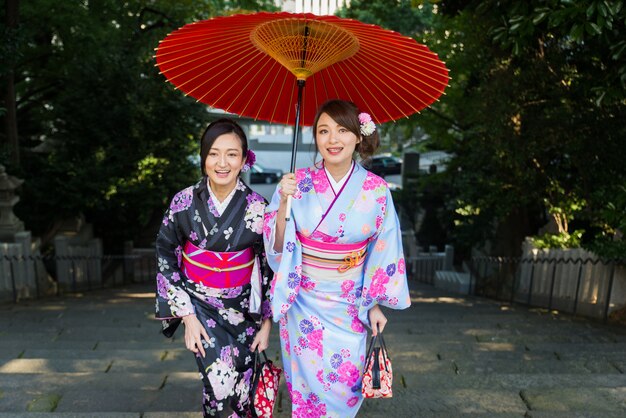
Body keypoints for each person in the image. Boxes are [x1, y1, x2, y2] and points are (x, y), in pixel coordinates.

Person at [263, 99, 411, 417]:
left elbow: (383, 247)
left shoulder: (377, 190)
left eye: (342, 130)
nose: (333, 139)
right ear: (315, 137)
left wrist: (374, 302)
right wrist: (281, 210)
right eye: (324, 130)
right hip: (303, 303)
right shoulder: (296, 184)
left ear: (359, 136)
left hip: (351, 304)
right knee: (306, 395)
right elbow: (277, 250)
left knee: (344, 390)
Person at [155, 118, 272, 417]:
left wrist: (267, 323)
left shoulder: (259, 206)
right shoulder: (183, 202)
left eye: (232, 154)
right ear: (203, 157)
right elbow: (166, 253)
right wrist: (187, 314)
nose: (222, 163)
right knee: (218, 385)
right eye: (214, 153)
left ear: (244, 160)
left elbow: (269, 266)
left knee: (244, 389)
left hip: (243, 310)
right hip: (201, 306)